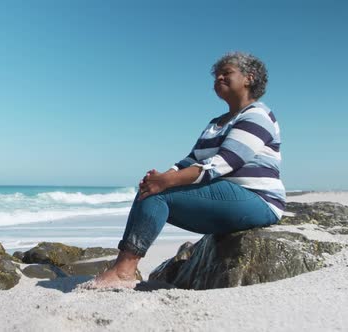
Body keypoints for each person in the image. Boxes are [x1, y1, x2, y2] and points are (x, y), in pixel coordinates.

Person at [89, 52, 285, 289]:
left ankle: (123, 271)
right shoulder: (217, 122)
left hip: (257, 200)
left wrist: (167, 182)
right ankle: (124, 266)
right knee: (149, 190)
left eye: (226, 73)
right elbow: (191, 159)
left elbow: (224, 162)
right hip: (225, 196)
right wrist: (162, 175)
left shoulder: (257, 115)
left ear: (249, 78)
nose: (219, 78)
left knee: (160, 192)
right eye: (216, 75)